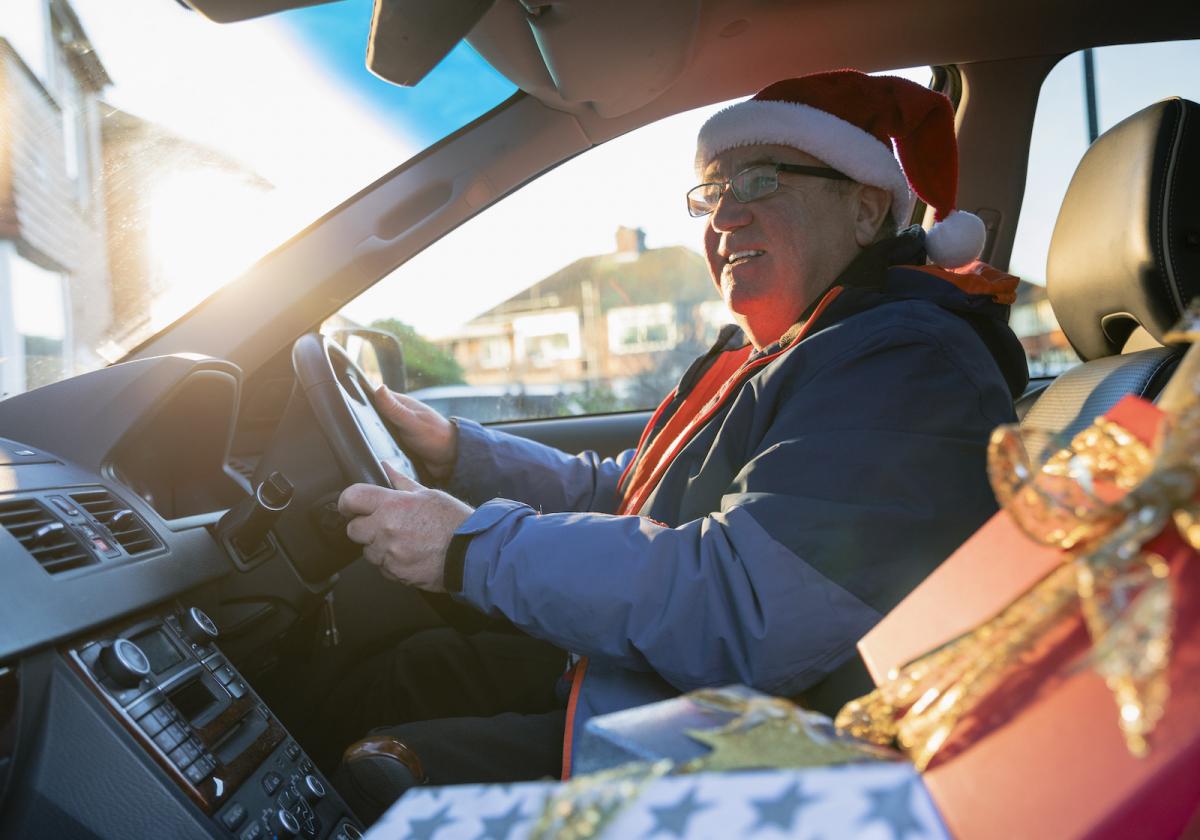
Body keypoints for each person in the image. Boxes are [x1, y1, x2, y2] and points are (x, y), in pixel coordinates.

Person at [329, 69, 1028, 818]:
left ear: (865, 209)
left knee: (375, 773)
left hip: (747, 762)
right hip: (664, 694)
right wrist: (457, 452)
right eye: (713, 192)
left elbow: (743, 606)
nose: (724, 215)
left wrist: (471, 547)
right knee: (407, 671)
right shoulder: (792, 350)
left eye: (760, 181)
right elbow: (628, 492)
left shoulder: (902, 366)